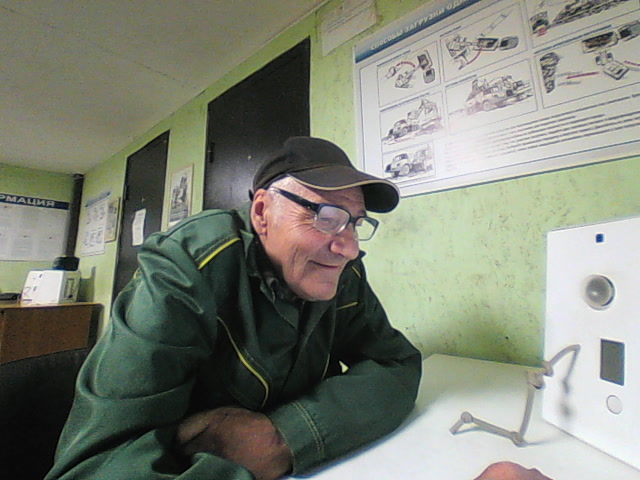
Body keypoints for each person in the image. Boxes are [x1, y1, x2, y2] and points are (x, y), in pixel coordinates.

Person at [46, 136, 551, 480]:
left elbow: (396, 361)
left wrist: (284, 438)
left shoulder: (341, 274)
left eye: (355, 222)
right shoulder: (185, 270)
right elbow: (96, 465)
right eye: (327, 216)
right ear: (262, 212)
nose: (348, 247)